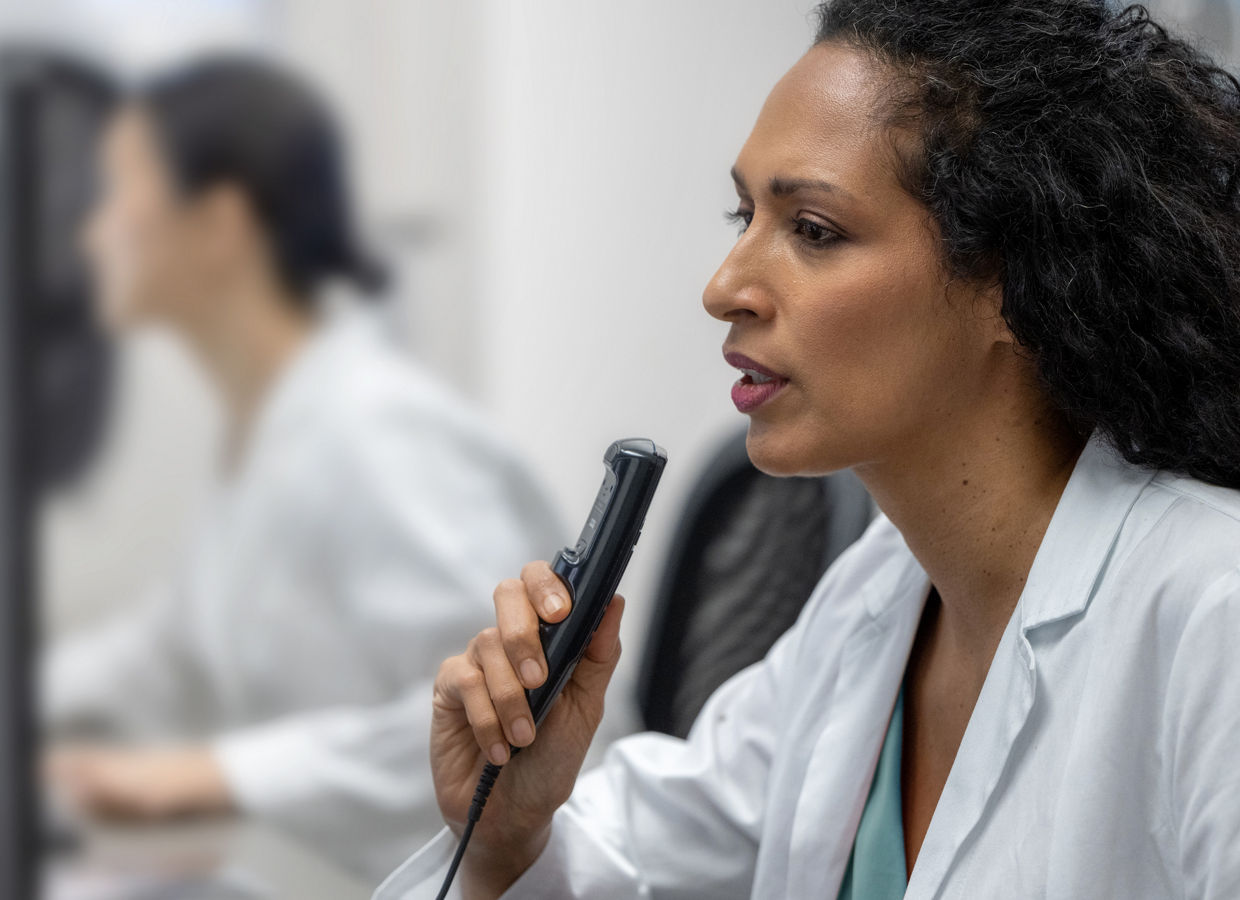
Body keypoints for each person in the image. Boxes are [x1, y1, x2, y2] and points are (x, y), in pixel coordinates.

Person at [375, 1, 1240, 897]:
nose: (725, 288)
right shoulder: (873, 602)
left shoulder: (1215, 616)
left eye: (814, 231)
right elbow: (643, 853)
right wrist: (508, 834)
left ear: (1012, 286)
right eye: (742, 216)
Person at [43, 56, 564, 882]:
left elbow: (505, 712)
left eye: (120, 193)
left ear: (217, 224)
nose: (91, 230)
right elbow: (169, 649)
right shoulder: (272, 425)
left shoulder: (376, 434)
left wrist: (213, 776)